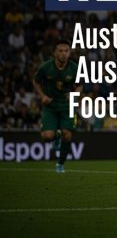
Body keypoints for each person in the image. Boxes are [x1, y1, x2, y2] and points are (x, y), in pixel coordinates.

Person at [33, 40, 80, 173]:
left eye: (66, 51)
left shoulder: (75, 68)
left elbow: (80, 84)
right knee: (47, 136)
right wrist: (42, 96)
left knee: (67, 134)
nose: (63, 54)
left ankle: (60, 164)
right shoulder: (46, 67)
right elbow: (35, 81)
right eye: (60, 51)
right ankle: (56, 136)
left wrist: (74, 94)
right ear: (54, 53)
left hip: (68, 105)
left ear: (70, 53)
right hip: (51, 105)